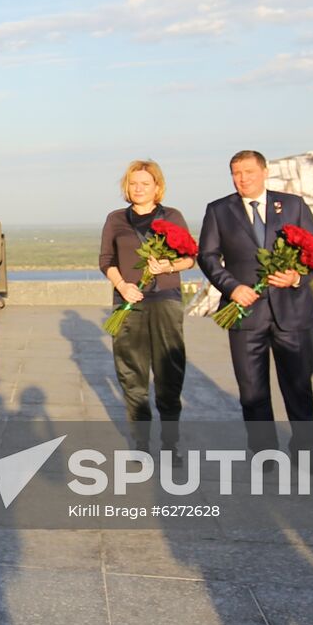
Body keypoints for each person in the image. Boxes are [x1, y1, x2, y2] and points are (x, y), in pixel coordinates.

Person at [197, 150, 313, 456]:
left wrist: (297, 277)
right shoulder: (218, 210)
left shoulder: (293, 205)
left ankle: (306, 450)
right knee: (252, 391)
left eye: (248, 172)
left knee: (298, 387)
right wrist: (232, 288)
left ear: (265, 172)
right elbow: (207, 256)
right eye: (236, 173)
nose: (242, 179)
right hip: (245, 313)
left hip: (292, 314)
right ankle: (263, 452)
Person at [99, 159, 194, 460]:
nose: (138, 188)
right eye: (133, 183)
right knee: (131, 374)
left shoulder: (173, 216)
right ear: (126, 186)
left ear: (157, 187)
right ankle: (141, 444)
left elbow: (191, 258)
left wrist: (169, 265)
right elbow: (106, 261)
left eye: (145, 183)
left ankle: (170, 444)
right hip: (128, 303)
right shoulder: (115, 219)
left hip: (165, 301)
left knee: (169, 373)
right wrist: (123, 286)